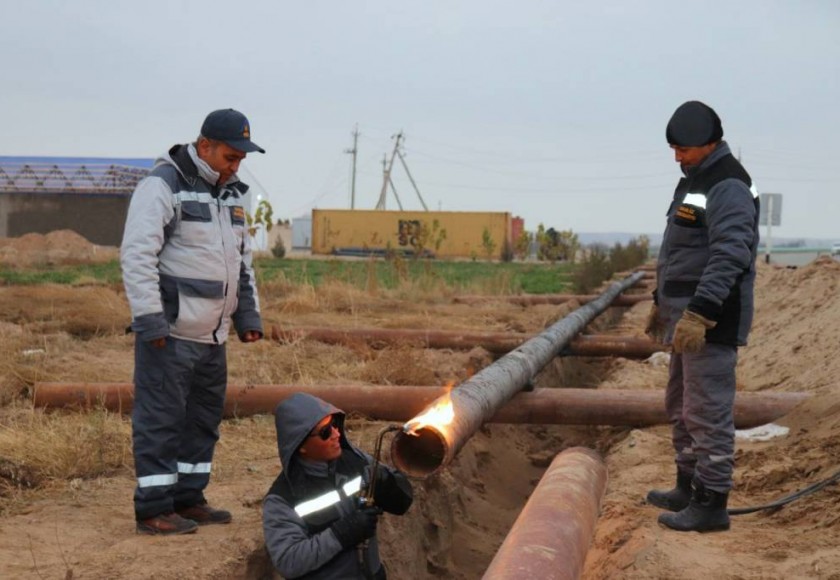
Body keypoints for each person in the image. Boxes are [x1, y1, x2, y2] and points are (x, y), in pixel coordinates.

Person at [121, 108, 266, 535]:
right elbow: (137, 255)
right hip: (171, 334)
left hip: (212, 337)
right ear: (204, 146)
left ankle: (188, 497)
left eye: (241, 158)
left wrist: (248, 315)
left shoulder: (232, 195)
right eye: (230, 155)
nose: (236, 164)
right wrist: (150, 320)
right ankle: (154, 508)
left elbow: (242, 261)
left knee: (202, 422)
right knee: (161, 421)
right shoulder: (162, 186)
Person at [644, 101, 759, 533]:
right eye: (673, 148)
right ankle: (687, 485)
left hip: (709, 321)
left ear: (708, 142)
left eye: (683, 149)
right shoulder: (695, 181)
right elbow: (681, 252)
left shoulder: (727, 184)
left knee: (707, 410)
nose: (677, 156)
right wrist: (662, 301)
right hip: (683, 318)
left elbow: (731, 254)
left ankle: (711, 504)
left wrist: (702, 313)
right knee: (680, 404)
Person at [263, 393, 413, 579]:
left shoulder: (356, 461)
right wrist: (341, 534)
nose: (336, 434)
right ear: (300, 445)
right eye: (325, 432)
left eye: (334, 424)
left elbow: (403, 500)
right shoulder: (283, 499)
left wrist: (388, 485)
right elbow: (288, 561)